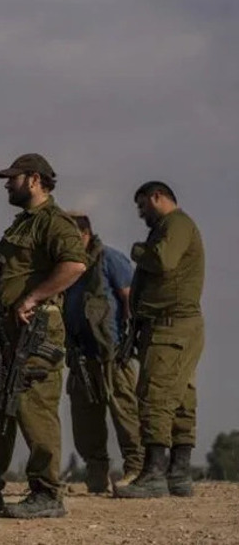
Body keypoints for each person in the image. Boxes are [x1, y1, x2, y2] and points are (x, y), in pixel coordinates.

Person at [0, 153, 86, 519]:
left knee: (35, 408)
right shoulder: (22, 224)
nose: (7, 184)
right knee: (1, 407)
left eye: (13, 178)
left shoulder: (54, 222)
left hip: (37, 329)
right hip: (9, 330)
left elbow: (75, 264)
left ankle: (47, 492)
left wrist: (33, 296)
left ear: (33, 179)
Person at [116, 181, 204, 499]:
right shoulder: (172, 226)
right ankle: (177, 473)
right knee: (179, 398)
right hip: (173, 326)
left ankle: (154, 473)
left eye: (143, 206)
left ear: (158, 197)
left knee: (155, 396)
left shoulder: (176, 224)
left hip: (172, 326)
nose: (141, 214)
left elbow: (163, 261)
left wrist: (137, 251)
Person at [63, 213, 143, 492]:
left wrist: (129, 339)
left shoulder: (109, 258)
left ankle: (136, 468)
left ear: (84, 234)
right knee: (85, 421)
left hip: (111, 351)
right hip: (81, 355)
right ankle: (96, 474)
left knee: (125, 412)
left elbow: (130, 297)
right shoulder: (68, 266)